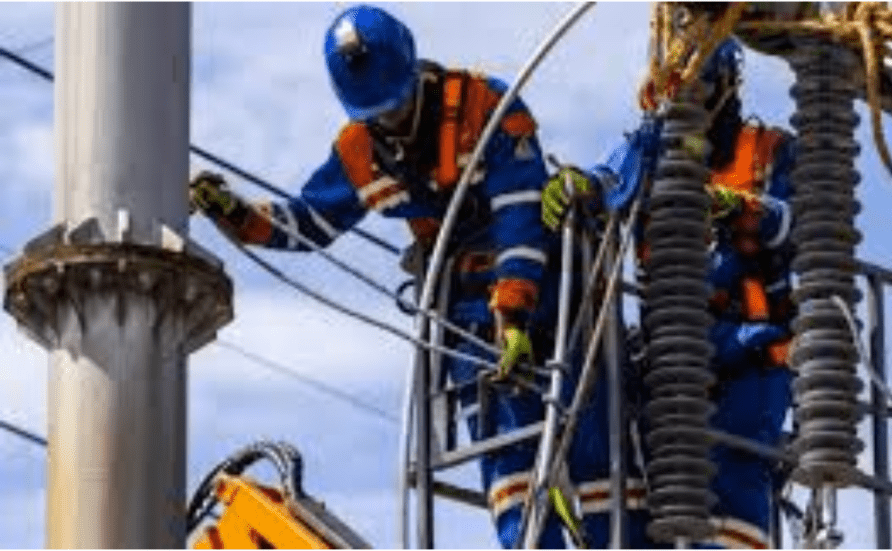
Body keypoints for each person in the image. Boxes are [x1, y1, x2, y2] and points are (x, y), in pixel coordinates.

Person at [188, 5, 569, 547]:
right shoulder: (359, 152)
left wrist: (513, 308)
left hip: (550, 290)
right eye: (377, 114)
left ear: (415, 74)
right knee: (509, 467)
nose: (390, 122)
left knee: (589, 455)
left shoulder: (484, 106)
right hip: (465, 312)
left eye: (396, 106)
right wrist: (236, 213)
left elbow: (519, 210)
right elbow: (310, 221)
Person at [542, 37, 797, 548]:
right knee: (641, 472)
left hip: (751, 347)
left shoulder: (769, 150)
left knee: (735, 480)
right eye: (676, 88)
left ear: (727, 86)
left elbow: (798, 222)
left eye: (700, 87)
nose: (688, 102)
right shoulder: (649, 148)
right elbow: (608, 179)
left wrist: (741, 207)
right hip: (671, 355)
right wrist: (579, 187)